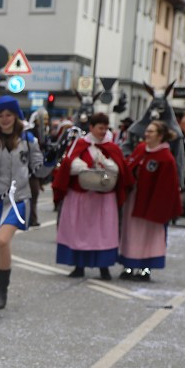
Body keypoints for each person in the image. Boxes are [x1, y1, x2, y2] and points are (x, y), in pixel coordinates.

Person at [0, 96, 53, 312]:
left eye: (8, 114)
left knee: (2, 241)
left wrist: (50, 161)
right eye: (0, 115)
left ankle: (3, 291)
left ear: (16, 116)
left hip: (18, 198)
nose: (4, 119)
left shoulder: (28, 140)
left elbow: (39, 170)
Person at [52, 112, 132, 280]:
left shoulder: (112, 148)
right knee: (79, 232)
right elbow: (68, 165)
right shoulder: (79, 144)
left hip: (104, 198)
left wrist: (107, 163)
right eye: (100, 128)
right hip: (81, 196)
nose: (103, 131)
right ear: (91, 128)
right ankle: (78, 266)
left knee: (103, 233)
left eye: (105, 128)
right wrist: (83, 166)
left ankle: (104, 267)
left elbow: (120, 170)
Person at [118, 120, 181, 282]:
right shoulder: (140, 149)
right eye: (147, 131)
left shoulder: (166, 158)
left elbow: (168, 187)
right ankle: (129, 266)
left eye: (151, 132)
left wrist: (159, 209)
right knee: (131, 233)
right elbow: (128, 167)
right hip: (134, 199)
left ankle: (146, 268)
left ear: (160, 136)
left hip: (152, 204)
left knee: (149, 235)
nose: (146, 134)